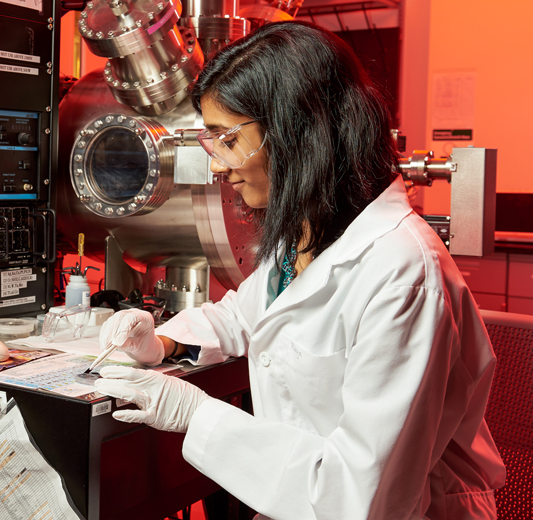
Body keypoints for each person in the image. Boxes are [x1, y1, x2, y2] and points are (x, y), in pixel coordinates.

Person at [94, 21, 506, 520]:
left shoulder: (403, 274)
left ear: (298, 131)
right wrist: (162, 341)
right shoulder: (307, 233)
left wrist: (198, 414)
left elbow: (362, 499)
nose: (219, 167)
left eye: (228, 139)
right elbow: (247, 316)